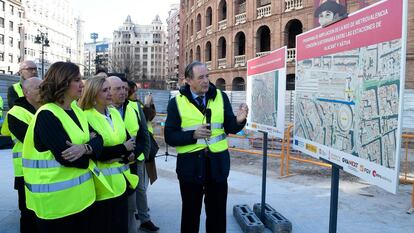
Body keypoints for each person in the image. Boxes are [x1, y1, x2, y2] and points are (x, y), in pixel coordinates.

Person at [164, 61, 249, 233]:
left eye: (207, 76)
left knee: (217, 216)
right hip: (190, 168)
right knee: (190, 215)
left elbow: (230, 127)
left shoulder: (220, 96)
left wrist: (239, 121)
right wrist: (192, 135)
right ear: (188, 80)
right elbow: (170, 136)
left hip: (217, 166)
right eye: (201, 77)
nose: (206, 81)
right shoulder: (176, 103)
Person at [21, 62, 100, 233]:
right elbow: (69, 159)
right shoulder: (47, 115)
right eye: (77, 80)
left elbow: (98, 139)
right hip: (55, 208)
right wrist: (95, 151)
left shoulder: (76, 111)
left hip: (82, 200)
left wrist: (85, 148)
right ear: (62, 82)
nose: (82, 84)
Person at [78, 76, 138, 233]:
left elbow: (129, 143)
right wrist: (122, 149)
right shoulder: (85, 117)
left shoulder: (114, 113)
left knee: (120, 227)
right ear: (93, 94)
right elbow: (97, 153)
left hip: (121, 183)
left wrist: (124, 151)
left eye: (109, 89)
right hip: (101, 187)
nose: (110, 93)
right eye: (105, 90)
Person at [7, 77, 42, 233]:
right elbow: (34, 139)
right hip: (25, 172)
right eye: (38, 88)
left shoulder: (48, 107)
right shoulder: (16, 113)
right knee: (28, 213)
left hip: (49, 172)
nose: (43, 90)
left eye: (44, 87)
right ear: (26, 92)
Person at [126, 80, 160, 233]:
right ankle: (135, 216)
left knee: (140, 188)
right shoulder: (112, 108)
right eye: (133, 92)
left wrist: (142, 152)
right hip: (121, 157)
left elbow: (147, 121)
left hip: (139, 155)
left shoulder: (135, 105)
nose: (135, 94)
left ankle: (143, 218)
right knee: (131, 192)